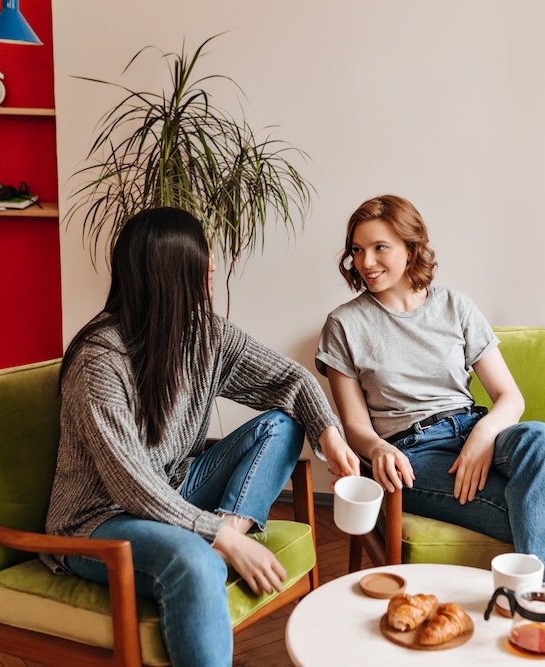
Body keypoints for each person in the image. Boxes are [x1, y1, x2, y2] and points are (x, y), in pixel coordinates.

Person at [43, 206, 360, 667]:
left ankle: (223, 532)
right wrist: (222, 540)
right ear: (168, 276)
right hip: (99, 520)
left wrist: (329, 433)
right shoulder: (100, 360)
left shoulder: (204, 334)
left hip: (176, 490)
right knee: (199, 561)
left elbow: (290, 380)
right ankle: (217, 541)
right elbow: (130, 484)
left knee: (282, 424)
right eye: (203, 264)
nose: (213, 269)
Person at [315, 194, 545, 606]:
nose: (365, 262)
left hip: (474, 430)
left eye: (379, 247)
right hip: (410, 455)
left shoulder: (455, 306)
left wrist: (484, 434)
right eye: (357, 250)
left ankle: (542, 614)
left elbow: (509, 397)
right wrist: (378, 449)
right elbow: (354, 425)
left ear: (411, 248)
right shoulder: (344, 324)